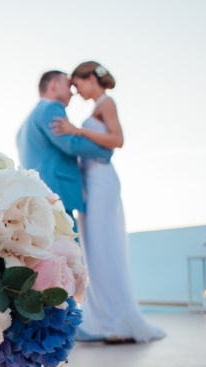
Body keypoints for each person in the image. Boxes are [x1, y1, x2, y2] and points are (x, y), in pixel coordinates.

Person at [51, 61, 165, 343]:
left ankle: (117, 321)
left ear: (91, 78)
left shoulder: (107, 102)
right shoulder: (97, 107)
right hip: (91, 183)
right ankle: (104, 319)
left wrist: (77, 131)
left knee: (104, 248)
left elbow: (117, 139)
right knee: (96, 251)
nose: (76, 92)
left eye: (77, 84)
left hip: (101, 181)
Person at [16, 70, 113, 220]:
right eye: (68, 85)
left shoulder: (26, 124)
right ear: (54, 85)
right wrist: (105, 150)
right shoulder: (51, 108)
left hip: (38, 196)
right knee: (69, 241)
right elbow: (71, 144)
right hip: (57, 193)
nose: (72, 93)